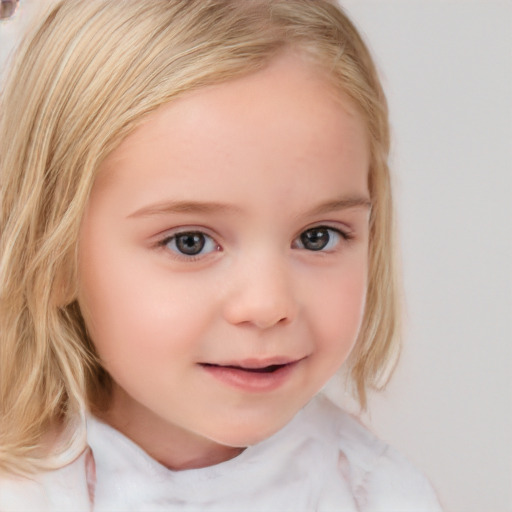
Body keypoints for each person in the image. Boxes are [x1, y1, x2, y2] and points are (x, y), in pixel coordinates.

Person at [0, 0, 443, 510]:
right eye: (190, 242)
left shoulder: (384, 496)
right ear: (51, 253)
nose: (268, 304)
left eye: (317, 236)